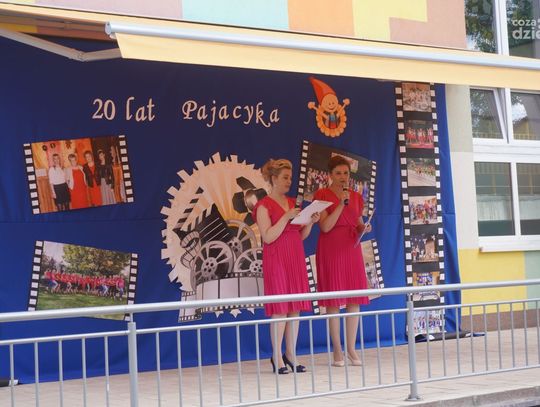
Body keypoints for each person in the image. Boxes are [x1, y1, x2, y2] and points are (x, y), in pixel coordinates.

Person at [253, 158, 320, 374]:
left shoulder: (292, 203)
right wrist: (285, 218)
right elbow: (268, 236)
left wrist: (310, 222)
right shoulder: (264, 205)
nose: (288, 181)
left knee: (295, 308)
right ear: (273, 179)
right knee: (280, 308)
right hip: (276, 259)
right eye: (284, 177)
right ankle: (276, 356)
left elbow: (299, 236)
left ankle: (291, 354)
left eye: (290, 177)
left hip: (295, 257)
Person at [314, 155, 371, 367]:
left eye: (345, 173)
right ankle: (337, 349)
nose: (342, 177)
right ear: (330, 175)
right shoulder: (321, 195)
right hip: (331, 249)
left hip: (351, 249)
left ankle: (351, 348)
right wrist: (339, 204)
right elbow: (325, 226)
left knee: (354, 299)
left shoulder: (356, 197)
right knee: (334, 301)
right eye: (338, 173)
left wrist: (364, 228)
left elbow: (358, 222)